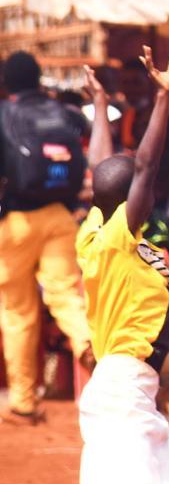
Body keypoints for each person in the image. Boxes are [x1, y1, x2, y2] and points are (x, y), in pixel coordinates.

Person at [30, 49, 169, 484]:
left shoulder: (95, 229)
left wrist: (99, 103)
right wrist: (164, 98)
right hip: (123, 383)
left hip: (127, 385)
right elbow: (140, 165)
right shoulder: (121, 234)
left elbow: (108, 167)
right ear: (132, 202)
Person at [0, 50, 93, 424]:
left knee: (18, 311)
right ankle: (88, 344)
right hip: (59, 217)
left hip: (16, 223)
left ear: (6, 82)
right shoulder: (62, 113)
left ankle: (24, 402)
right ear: (38, 79)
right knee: (65, 295)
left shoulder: (5, 113)